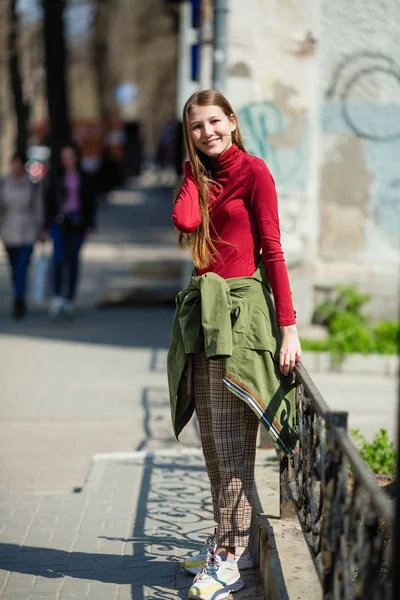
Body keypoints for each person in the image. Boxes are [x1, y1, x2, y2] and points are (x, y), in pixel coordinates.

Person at [167, 89, 302, 600]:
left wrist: (288, 326)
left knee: (231, 449)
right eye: (197, 126)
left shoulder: (255, 172)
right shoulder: (201, 178)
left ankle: (229, 560)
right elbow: (185, 222)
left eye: (215, 122)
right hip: (205, 317)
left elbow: (273, 250)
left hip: (242, 320)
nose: (208, 133)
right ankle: (229, 546)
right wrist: (192, 170)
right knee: (213, 446)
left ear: (233, 121)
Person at [43, 144, 96, 318]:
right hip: (59, 221)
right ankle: (57, 295)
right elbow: (48, 201)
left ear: (76, 157)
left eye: (71, 156)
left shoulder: (84, 177)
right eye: (64, 156)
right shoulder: (56, 176)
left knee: (73, 260)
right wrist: (45, 226)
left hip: (78, 223)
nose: (68, 160)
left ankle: (70, 298)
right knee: (58, 258)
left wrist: (90, 225)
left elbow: (90, 202)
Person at [0, 152, 43, 319]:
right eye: (14, 163)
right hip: (8, 231)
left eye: (19, 164)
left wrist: (40, 230)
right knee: (13, 267)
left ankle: (19, 299)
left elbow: (38, 209)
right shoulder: (4, 183)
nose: (16, 167)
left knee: (21, 267)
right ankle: (18, 294)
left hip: (27, 231)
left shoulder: (32, 185)